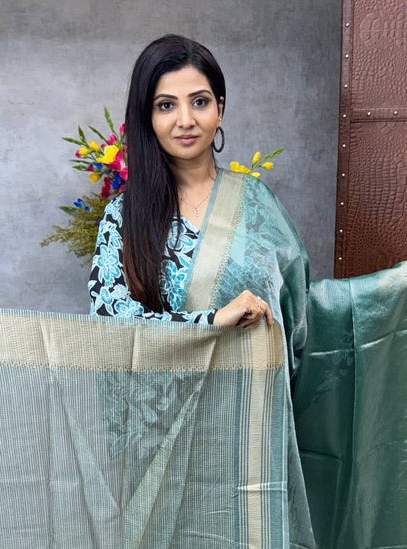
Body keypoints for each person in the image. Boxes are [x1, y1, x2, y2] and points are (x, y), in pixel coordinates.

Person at [88, 33, 285, 335]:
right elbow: (109, 319)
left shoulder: (254, 203)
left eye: (200, 102)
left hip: (247, 367)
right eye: (166, 105)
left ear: (219, 110)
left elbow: (295, 307)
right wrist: (212, 320)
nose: (185, 120)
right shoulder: (124, 215)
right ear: (147, 117)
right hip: (158, 369)